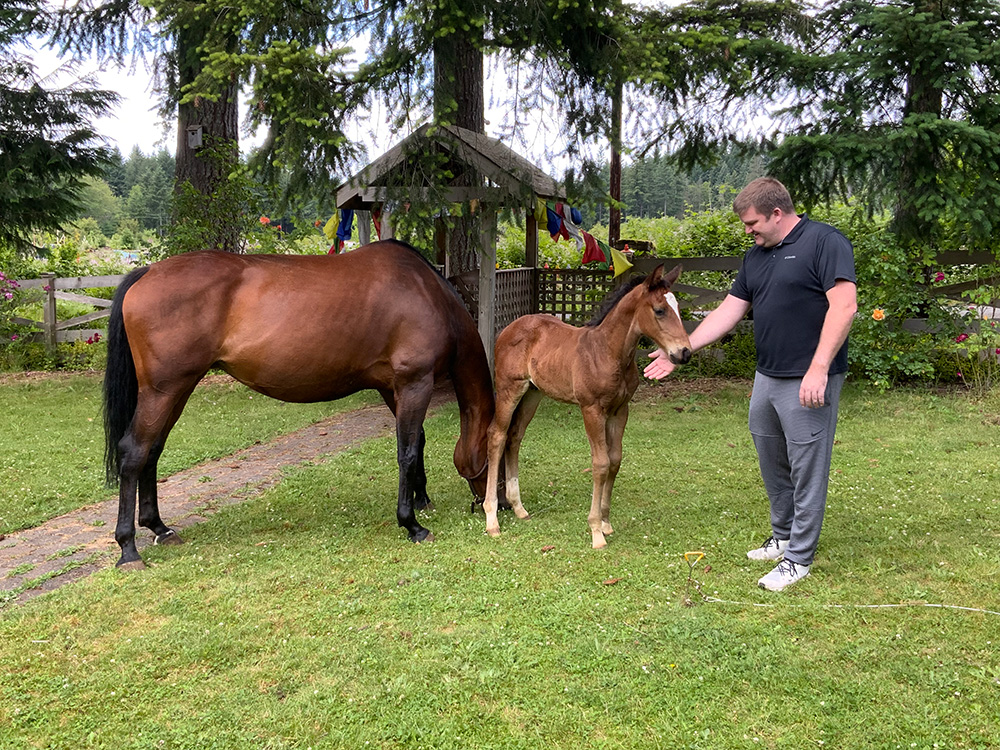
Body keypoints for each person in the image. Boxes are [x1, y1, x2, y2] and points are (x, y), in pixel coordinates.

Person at [645, 177, 857, 591]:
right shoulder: (756, 256)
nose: (748, 231)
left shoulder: (825, 242)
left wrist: (819, 368)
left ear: (777, 214)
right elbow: (729, 311)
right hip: (767, 375)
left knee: (807, 465)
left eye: (752, 223)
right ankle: (783, 536)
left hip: (810, 376)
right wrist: (682, 351)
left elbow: (844, 307)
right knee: (770, 458)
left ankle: (799, 558)